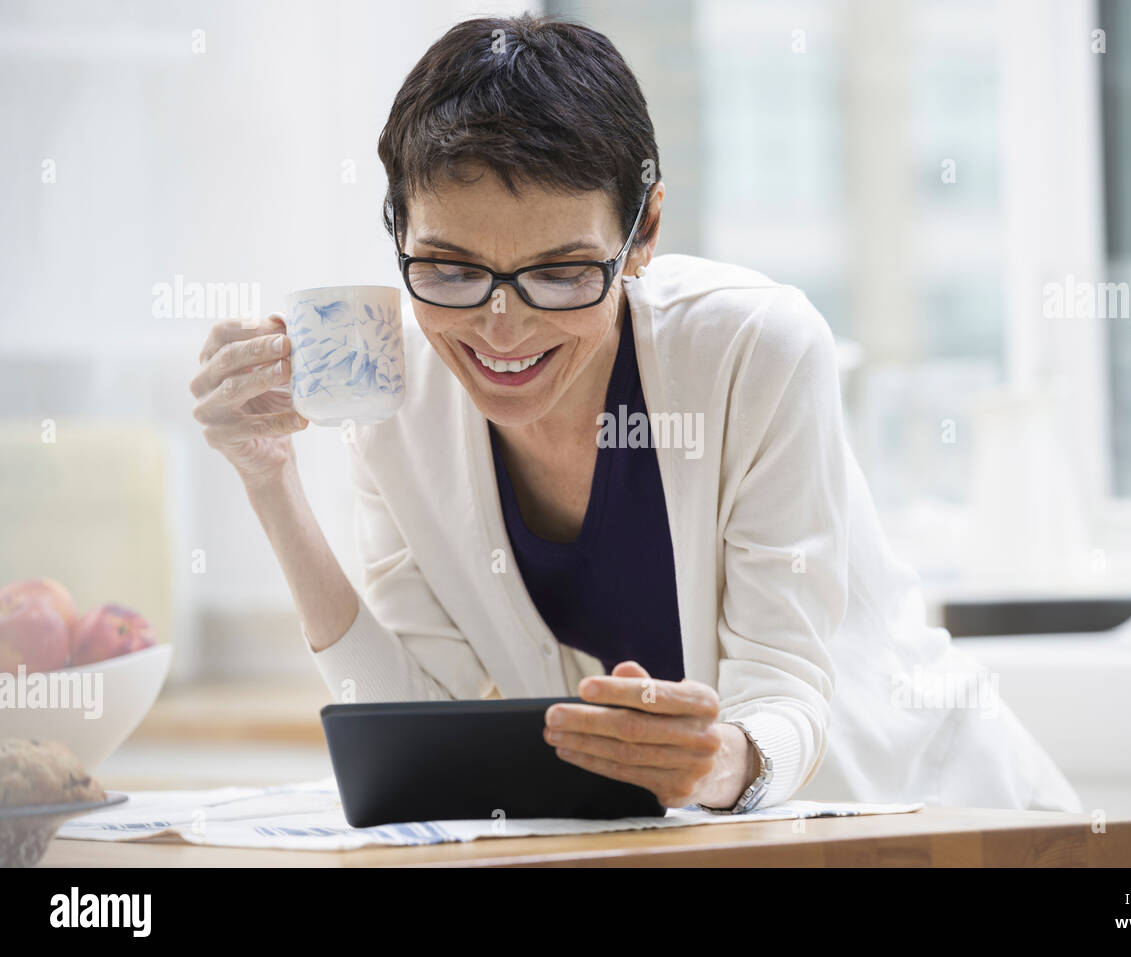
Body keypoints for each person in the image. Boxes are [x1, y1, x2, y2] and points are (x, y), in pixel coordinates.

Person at [190, 13, 1081, 814]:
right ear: (398, 234)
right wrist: (269, 480)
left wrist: (716, 759)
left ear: (644, 233)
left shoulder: (753, 349)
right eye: (452, 269)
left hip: (933, 816)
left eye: (562, 273)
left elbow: (785, 684)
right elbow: (422, 715)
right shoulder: (397, 395)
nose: (502, 326)